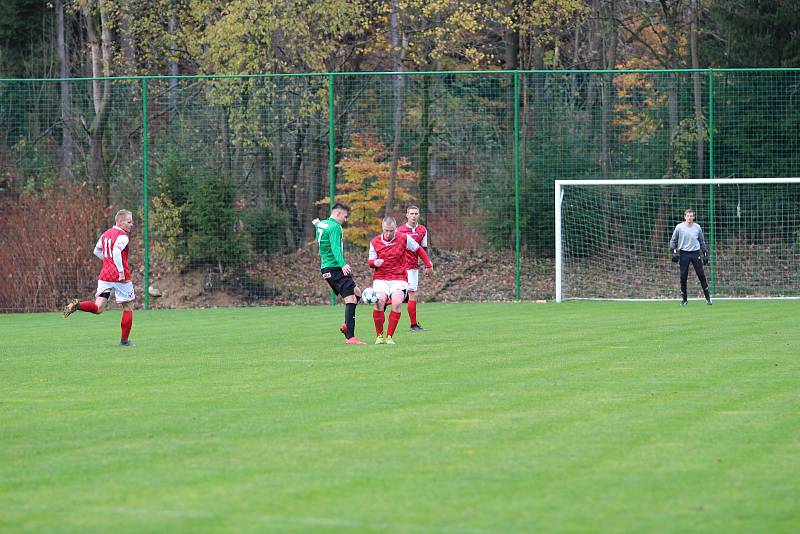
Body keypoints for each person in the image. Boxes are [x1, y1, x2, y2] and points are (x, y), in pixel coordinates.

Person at [63, 209, 136, 345]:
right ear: (120, 222)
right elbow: (116, 251)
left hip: (105, 275)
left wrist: (108, 261)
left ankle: (77, 305)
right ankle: (124, 341)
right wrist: (120, 271)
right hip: (120, 276)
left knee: (99, 308)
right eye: (129, 222)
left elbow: (96, 251)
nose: (131, 224)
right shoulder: (123, 236)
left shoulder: (106, 234)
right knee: (128, 306)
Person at [368, 216, 433, 345]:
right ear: (382, 228)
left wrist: (428, 264)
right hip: (381, 278)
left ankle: (389, 336)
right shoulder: (374, 242)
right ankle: (379, 336)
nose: (388, 233)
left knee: (397, 302)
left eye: (391, 230)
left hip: (399, 278)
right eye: (386, 230)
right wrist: (375, 262)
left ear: (395, 229)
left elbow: (419, 249)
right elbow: (370, 262)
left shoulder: (403, 238)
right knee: (380, 301)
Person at [314, 202, 366, 345]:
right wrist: (343, 264)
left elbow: (318, 228)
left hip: (326, 268)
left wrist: (317, 224)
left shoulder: (323, 224)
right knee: (351, 299)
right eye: (345, 216)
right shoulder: (336, 227)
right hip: (335, 267)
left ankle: (346, 326)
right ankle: (350, 337)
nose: (345, 219)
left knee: (357, 293)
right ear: (338, 214)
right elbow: (335, 247)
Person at [395, 205, 429, 332]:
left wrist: (427, 264)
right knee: (405, 294)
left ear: (419, 215)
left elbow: (424, 248)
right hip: (403, 267)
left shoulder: (423, 230)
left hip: (414, 267)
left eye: (416, 213)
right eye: (411, 213)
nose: (414, 216)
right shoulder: (399, 231)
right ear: (407, 215)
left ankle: (413, 325)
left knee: (412, 294)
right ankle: (413, 325)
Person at [669, 208, 712, 306]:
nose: (689, 217)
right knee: (683, 276)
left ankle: (708, 298)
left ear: (694, 217)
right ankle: (684, 299)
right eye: (688, 216)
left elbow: (702, 241)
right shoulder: (679, 227)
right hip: (684, 253)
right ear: (685, 217)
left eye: (691, 216)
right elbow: (673, 240)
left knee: (701, 275)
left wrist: (705, 254)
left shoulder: (697, 227)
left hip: (695, 253)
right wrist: (673, 252)